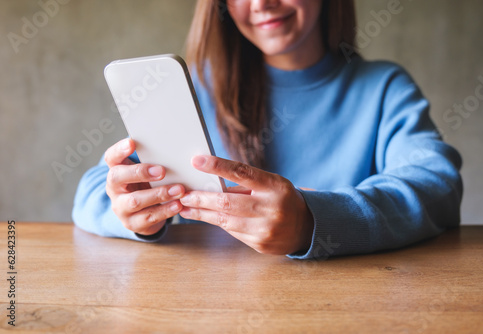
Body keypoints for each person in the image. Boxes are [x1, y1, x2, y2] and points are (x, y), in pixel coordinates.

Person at [73, 0, 463, 259]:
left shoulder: (383, 88)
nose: (261, 4)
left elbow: (437, 185)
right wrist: (132, 213)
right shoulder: (195, 91)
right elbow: (93, 191)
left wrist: (314, 221)